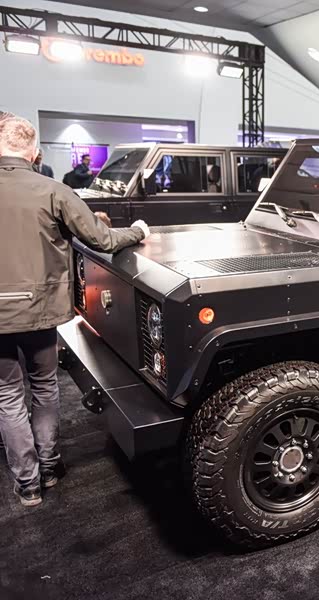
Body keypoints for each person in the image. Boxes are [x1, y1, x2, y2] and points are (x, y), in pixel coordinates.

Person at [0, 116, 150, 507]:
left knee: (7, 396)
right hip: (38, 310)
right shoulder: (53, 190)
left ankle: (27, 484)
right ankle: (50, 468)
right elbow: (102, 239)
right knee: (44, 386)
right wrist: (138, 231)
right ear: (34, 153)